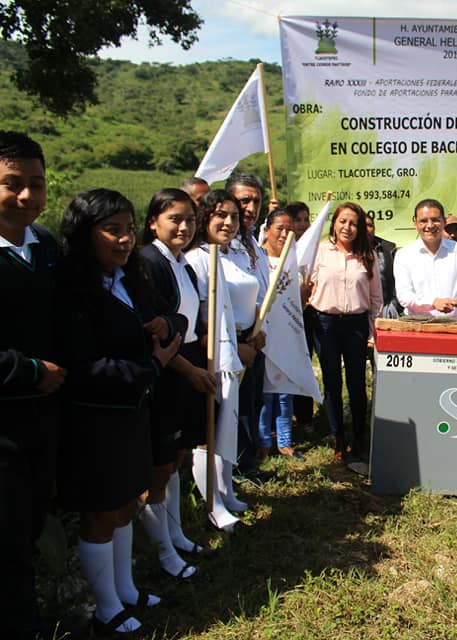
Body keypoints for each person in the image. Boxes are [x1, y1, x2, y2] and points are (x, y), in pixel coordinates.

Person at [58, 189, 182, 635]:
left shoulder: (129, 278)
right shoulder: (73, 290)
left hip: (133, 412)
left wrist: (167, 324)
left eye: (128, 230)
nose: (124, 240)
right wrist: (149, 367)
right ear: (84, 233)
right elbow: (83, 365)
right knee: (101, 512)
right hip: (96, 419)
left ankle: (126, 590)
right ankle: (106, 606)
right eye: (112, 230)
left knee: (126, 503)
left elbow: (170, 317)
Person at [0, 131, 66, 640]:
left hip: (44, 420)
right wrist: (28, 371)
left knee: (27, 526)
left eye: (36, 184)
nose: (27, 196)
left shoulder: (45, 246)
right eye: (11, 183)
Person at [139, 188, 218, 574]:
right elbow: (157, 334)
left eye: (190, 219)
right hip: (167, 371)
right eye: (175, 219)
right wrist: (191, 371)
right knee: (159, 467)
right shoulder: (148, 261)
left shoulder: (181, 263)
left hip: (186, 365)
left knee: (175, 462)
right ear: (154, 221)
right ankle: (164, 554)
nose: (184, 227)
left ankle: (178, 537)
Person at [186, 190, 266, 530]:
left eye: (234, 216)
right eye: (220, 215)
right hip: (212, 351)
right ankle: (212, 503)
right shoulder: (198, 258)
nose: (229, 222)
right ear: (204, 218)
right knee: (211, 427)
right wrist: (230, 344)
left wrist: (252, 339)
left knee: (229, 423)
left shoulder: (236, 254)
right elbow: (200, 313)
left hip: (241, 349)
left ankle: (226, 490)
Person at [306, 202, 383, 460]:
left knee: (357, 383)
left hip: (356, 325)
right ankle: (337, 436)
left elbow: (375, 300)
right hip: (325, 323)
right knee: (331, 382)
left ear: (360, 228)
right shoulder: (320, 252)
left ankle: (359, 436)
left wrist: (372, 333)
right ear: (334, 223)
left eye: (353, 223)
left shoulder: (367, 255)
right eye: (342, 221)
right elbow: (308, 287)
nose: (347, 227)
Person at [225, 173, 272, 480]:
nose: (251, 207)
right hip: (232, 338)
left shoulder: (251, 241)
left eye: (256, 200)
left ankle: (248, 464)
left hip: (255, 337)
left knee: (251, 404)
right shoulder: (222, 245)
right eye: (244, 200)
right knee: (236, 409)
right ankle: (238, 470)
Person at [258, 208, 303, 461]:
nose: (285, 234)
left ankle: (285, 441)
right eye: (279, 229)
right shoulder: (257, 258)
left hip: (286, 333)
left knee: (285, 389)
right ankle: (263, 440)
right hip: (262, 334)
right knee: (265, 391)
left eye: (290, 230)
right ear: (267, 231)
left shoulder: (292, 262)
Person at [394, 198, 457, 318]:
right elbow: (404, 296)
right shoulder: (404, 255)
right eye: (423, 221)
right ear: (415, 223)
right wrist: (433, 303)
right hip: (418, 327)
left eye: (435, 220)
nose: (430, 225)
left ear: (444, 222)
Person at [284, 201, 316, 428]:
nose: (303, 224)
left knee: (304, 363)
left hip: (310, 314)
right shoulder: (281, 248)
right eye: (298, 220)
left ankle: (305, 417)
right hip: (285, 316)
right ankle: (284, 419)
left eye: (306, 219)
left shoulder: (315, 247)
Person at [365, 212, 400, 318]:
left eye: (370, 225)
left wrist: (393, 306)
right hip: (357, 313)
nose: (366, 229)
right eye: (362, 226)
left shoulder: (388, 249)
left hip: (384, 310)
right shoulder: (347, 251)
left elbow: (398, 282)